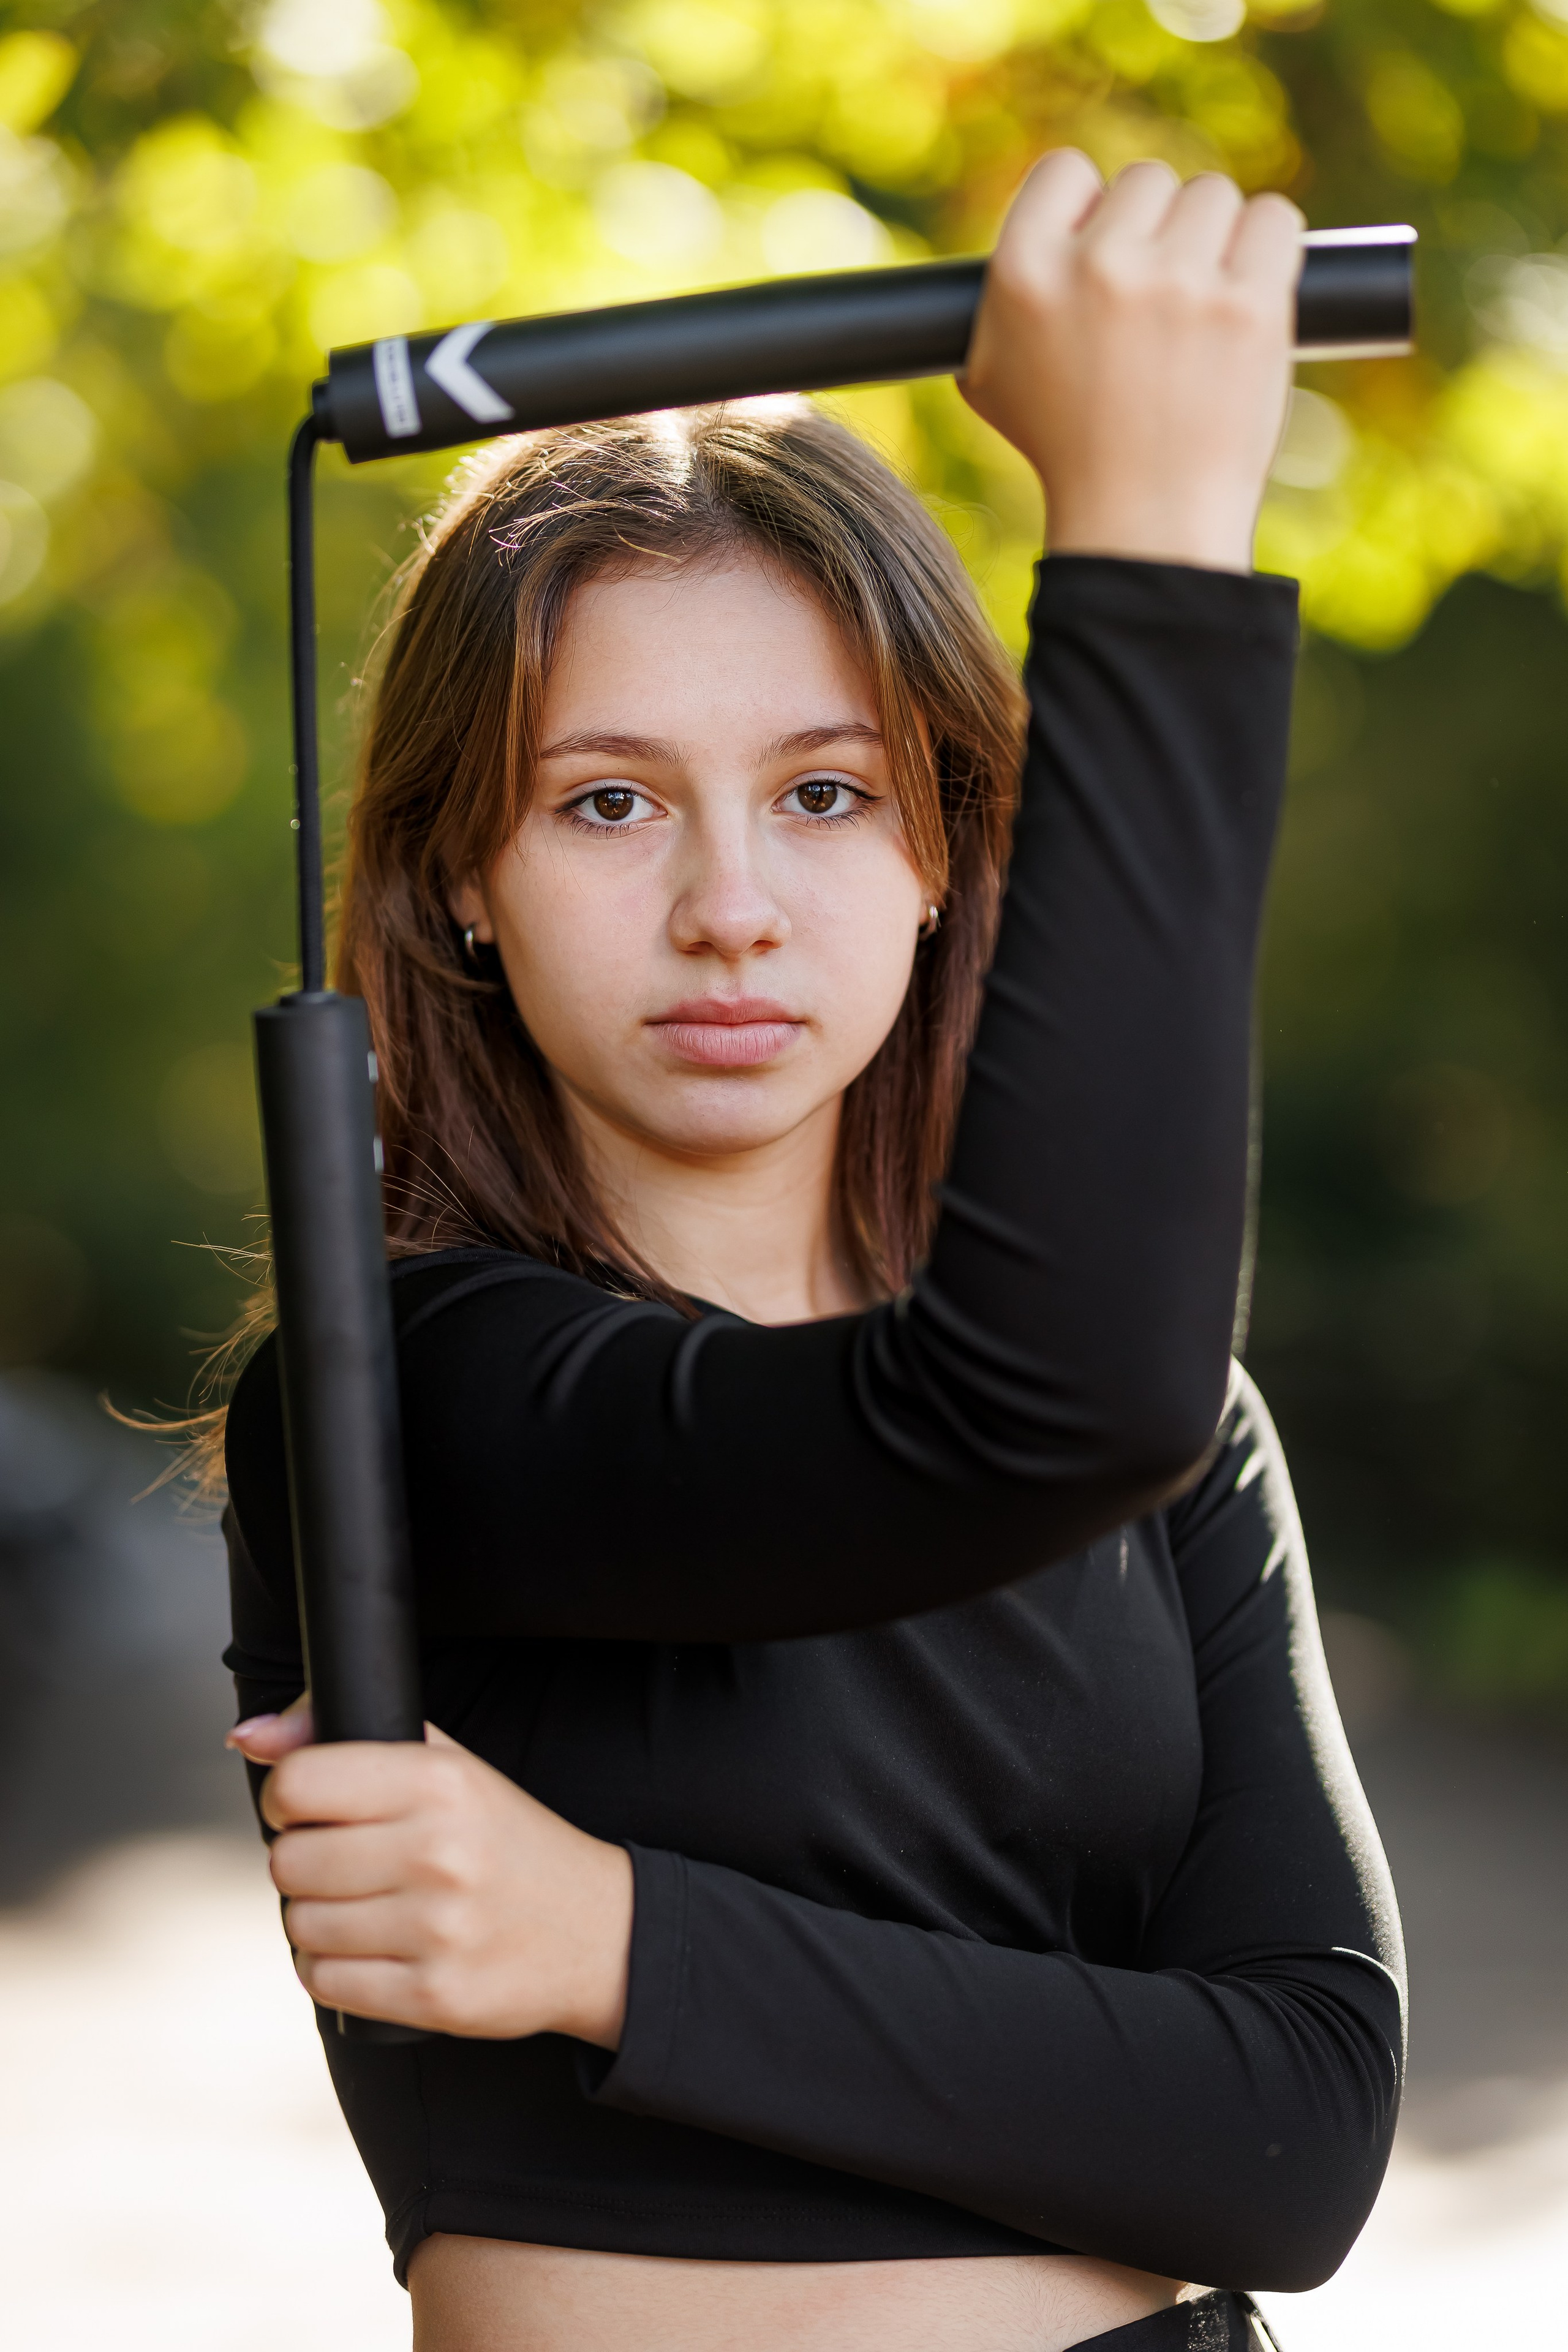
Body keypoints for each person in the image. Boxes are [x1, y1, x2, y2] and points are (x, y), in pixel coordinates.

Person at [219, 150, 1404, 2352]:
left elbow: (1302, 2136)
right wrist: (1149, 528)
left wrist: (613, 1943)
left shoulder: (1181, 1445)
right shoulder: (392, 1401)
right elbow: (1011, 1418)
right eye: (608, 799)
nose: (732, 907)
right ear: (460, 874)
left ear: (954, 847)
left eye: (830, 792)